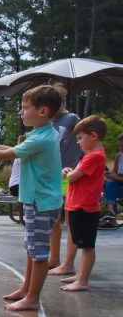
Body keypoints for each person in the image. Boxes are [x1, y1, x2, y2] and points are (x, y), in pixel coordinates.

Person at [0, 84, 64, 312]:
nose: (21, 111)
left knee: (38, 254)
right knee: (31, 248)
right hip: (38, 201)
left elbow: (5, 155)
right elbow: (11, 149)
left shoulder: (42, 139)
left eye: (25, 107)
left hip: (41, 203)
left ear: (42, 111)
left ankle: (33, 298)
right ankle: (27, 289)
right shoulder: (42, 133)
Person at [57, 115, 107, 292]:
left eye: (80, 138)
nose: (78, 142)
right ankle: (79, 276)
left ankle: (82, 280)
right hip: (78, 205)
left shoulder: (94, 156)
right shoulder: (90, 156)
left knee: (86, 246)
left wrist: (66, 172)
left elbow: (73, 177)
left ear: (93, 136)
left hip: (85, 207)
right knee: (80, 241)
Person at [48, 100, 83, 274]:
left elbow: (84, 136)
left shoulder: (71, 118)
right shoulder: (47, 123)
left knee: (70, 220)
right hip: (53, 175)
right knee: (54, 219)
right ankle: (54, 259)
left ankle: (69, 263)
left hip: (70, 173)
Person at [100, 133, 123, 227]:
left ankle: (111, 215)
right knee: (109, 184)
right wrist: (109, 174)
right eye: (119, 145)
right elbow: (114, 171)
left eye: (122, 146)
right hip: (118, 183)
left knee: (110, 186)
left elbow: (116, 177)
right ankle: (110, 212)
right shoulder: (119, 156)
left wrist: (115, 177)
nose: (120, 148)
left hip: (120, 182)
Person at [8, 135, 26, 224]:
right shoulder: (23, 153)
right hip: (18, 186)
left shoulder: (17, 153)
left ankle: (24, 216)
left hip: (13, 186)